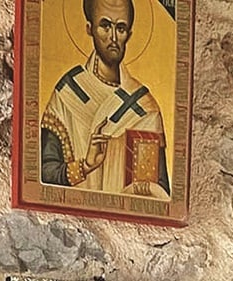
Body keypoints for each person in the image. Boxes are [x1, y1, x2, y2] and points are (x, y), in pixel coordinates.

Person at [41, 0, 170, 200]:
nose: (113, 37)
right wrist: (86, 166)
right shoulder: (68, 93)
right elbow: (44, 172)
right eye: (105, 26)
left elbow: (156, 195)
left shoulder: (144, 108)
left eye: (121, 28)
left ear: (129, 35)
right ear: (89, 28)